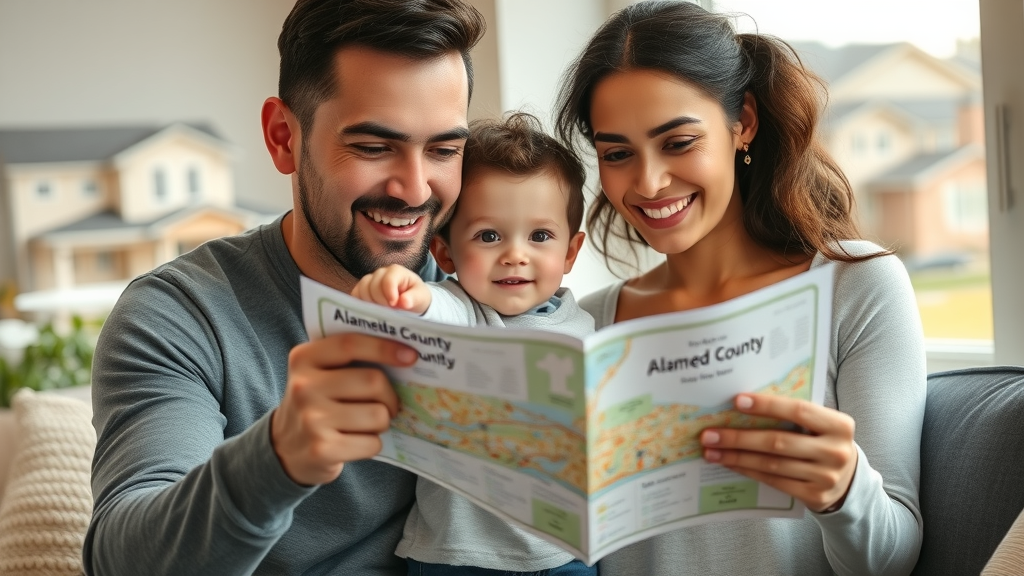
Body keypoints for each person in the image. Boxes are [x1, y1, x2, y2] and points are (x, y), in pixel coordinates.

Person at [83, 1, 485, 574]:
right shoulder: (178, 316)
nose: (414, 190)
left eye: (444, 150)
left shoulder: (488, 289)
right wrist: (279, 456)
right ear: (283, 138)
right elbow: (124, 560)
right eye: (373, 147)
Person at [553, 2, 926, 575]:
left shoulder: (856, 286)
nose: (648, 183)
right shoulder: (589, 324)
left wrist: (843, 490)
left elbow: (891, 560)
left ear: (742, 122)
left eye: (677, 142)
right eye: (618, 154)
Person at [351, 112, 596, 575]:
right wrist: (405, 292)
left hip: (566, 555)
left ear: (569, 252)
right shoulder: (463, 310)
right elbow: (431, 309)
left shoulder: (585, 328)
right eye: (489, 236)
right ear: (445, 253)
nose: (515, 254)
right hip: (457, 555)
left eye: (540, 236)